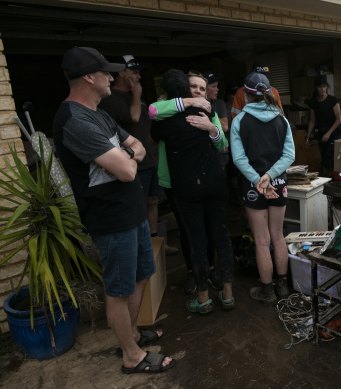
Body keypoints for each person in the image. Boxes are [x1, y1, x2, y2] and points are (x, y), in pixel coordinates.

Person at [53, 47, 174, 374]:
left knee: (140, 275)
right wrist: (125, 156)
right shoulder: (74, 120)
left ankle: (132, 334)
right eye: (107, 72)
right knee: (118, 291)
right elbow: (126, 170)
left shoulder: (99, 113)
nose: (113, 77)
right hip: (110, 218)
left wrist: (124, 153)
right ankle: (131, 356)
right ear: (89, 77)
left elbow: (136, 145)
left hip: (131, 211)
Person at [151, 69, 234, 314]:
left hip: (187, 187)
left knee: (197, 240)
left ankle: (203, 298)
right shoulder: (204, 109)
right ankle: (228, 294)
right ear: (186, 91)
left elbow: (153, 115)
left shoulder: (163, 122)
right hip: (215, 183)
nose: (198, 91)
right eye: (193, 87)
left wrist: (211, 128)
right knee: (221, 236)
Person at [98, 54, 178, 255]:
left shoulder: (136, 97)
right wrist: (136, 94)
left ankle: (155, 242)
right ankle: (141, 247)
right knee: (138, 205)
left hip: (150, 160)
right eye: (134, 71)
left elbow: (145, 124)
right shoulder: (110, 100)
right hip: (134, 164)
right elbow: (133, 117)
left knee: (153, 202)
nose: (138, 76)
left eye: (139, 71)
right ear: (121, 73)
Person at [230, 72, 295, 303]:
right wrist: (269, 176)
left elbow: (238, 159)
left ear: (245, 94)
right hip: (277, 182)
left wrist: (258, 179)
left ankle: (267, 291)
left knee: (261, 240)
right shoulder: (282, 119)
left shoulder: (240, 121)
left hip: (252, 185)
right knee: (278, 236)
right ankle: (283, 286)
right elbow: (290, 155)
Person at [306, 75, 341, 176]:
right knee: (323, 158)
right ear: (316, 88)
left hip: (333, 134)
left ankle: (332, 181)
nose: (322, 89)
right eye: (319, 87)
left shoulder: (332, 100)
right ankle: (326, 182)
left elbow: (339, 119)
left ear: (327, 87)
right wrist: (308, 137)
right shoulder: (313, 102)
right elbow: (312, 121)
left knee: (329, 158)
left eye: (324, 86)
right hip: (321, 135)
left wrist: (328, 134)